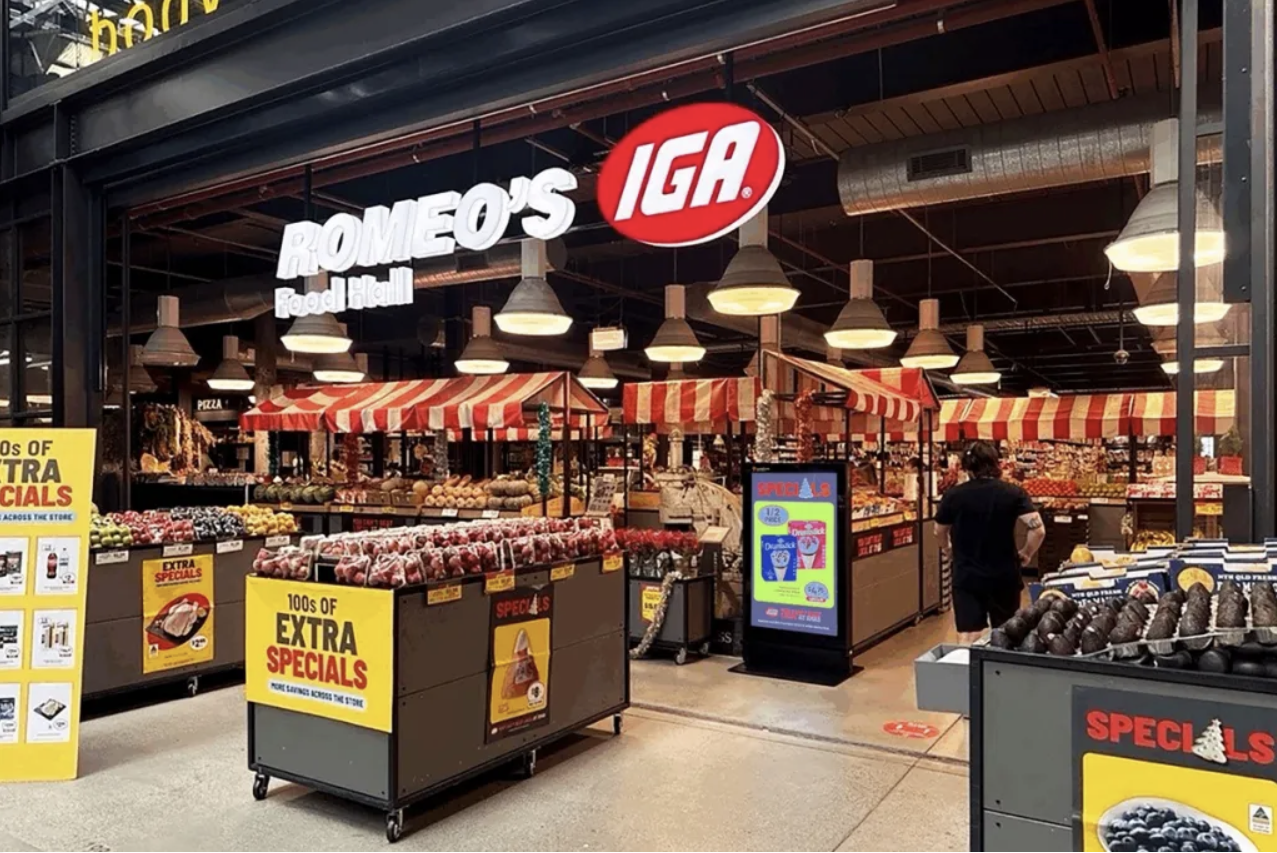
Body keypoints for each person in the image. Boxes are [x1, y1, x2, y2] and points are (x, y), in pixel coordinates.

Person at [935, 441, 1045, 644]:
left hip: (967, 575)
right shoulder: (1013, 493)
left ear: (966, 467)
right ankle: (1001, 673)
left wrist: (947, 549)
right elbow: (1037, 529)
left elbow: (939, 531)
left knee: (969, 634)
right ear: (996, 464)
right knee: (1007, 632)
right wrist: (1027, 552)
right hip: (1004, 574)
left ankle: (969, 673)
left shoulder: (953, 495)